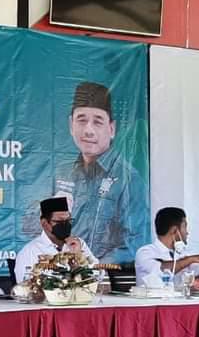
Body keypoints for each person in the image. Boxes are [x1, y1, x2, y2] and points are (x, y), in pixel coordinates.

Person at [22, 81, 148, 264]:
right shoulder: (62, 173)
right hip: (61, 271)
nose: (88, 130)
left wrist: (90, 264)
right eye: (81, 120)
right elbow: (29, 226)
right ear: (71, 125)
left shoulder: (129, 179)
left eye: (98, 122)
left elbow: (136, 243)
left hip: (103, 275)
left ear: (112, 129)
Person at [14, 196, 98, 283]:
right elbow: (24, 284)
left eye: (68, 220)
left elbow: (99, 275)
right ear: (44, 223)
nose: (65, 225)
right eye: (59, 222)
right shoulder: (30, 251)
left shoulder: (78, 243)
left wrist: (78, 254)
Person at [135, 207, 199, 287]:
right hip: (154, 298)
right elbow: (162, 269)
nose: (187, 232)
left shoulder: (181, 253)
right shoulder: (145, 252)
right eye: (185, 227)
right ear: (174, 230)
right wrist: (191, 259)